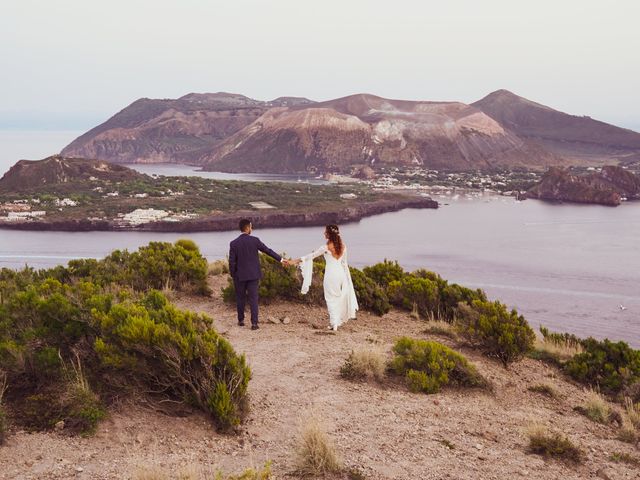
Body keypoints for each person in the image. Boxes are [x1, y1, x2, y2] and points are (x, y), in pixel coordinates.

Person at [291, 224, 358, 331]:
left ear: (329, 234)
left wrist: (294, 261)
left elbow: (310, 256)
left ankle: (334, 324)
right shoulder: (344, 247)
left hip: (331, 274)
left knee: (330, 298)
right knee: (337, 298)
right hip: (341, 274)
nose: (324, 233)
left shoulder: (325, 248)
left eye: (325, 232)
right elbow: (345, 263)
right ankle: (335, 323)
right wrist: (347, 279)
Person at [229, 219, 288, 330]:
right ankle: (254, 324)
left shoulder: (234, 243)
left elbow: (232, 262)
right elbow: (267, 251)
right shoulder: (255, 240)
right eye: (251, 226)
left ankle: (241, 320)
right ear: (247, 228)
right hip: (253, 275)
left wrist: (233, 275)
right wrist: (281, 259)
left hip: (239, 276)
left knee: (240, 298)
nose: (252, 228)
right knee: (253, 299)